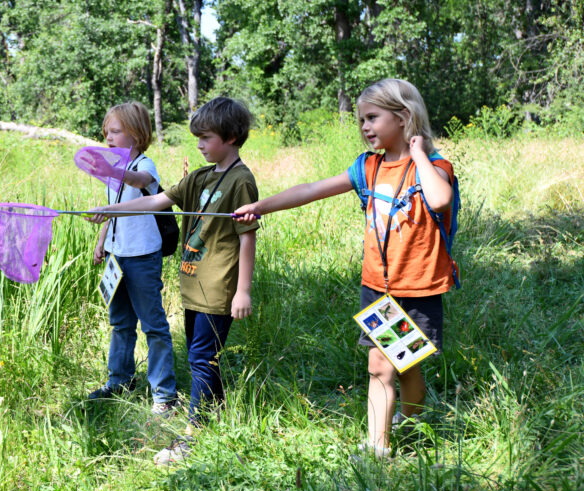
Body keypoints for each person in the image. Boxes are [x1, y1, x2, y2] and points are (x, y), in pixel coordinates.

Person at [233, 79, 456, 458]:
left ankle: (411, 421)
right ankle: (376, 449)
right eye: (361, 120)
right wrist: (262, 206)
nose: (365, 127)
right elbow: (310, 189)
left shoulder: (434, 168)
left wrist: (419, 155)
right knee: (379, 366)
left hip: (419, 286)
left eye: (372, 117)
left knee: (408, 367)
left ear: (404, 117)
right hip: (379, 285)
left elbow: (439, 198)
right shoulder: (367, 168)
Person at [87, 97, 259, 464]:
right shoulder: (198, 177)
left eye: (205, 138)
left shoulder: (241, 181)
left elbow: (248, 236)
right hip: (193, 281)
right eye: (197, 138)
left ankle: (194, 432)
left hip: (219, 284)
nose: (198, 144)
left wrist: (243, 289)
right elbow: (155, 202)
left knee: (201, 357)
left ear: (230, 137)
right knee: (202, 356)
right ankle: (213, 415)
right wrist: (108, 211)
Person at [86, 102, 178, 416]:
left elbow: (138, 182)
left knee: (153, 325)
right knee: (120, 323)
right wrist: (102, 241)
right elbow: (114, 207)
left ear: (136, 135)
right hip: (116, 254)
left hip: (141, 257)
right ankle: (119, 382)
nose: (108, 138)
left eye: (115, 132)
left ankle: (164, 395)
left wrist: (114, 170)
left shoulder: (145, 165)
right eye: (105, 133)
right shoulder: (116, 172)